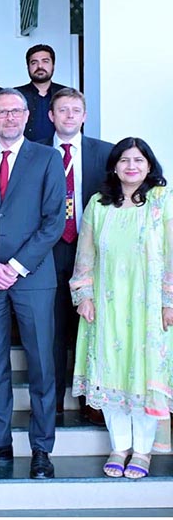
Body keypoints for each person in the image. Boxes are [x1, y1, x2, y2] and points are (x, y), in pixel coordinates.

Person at [0, 88, 66, 479]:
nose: (9, 118)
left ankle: (41, 447)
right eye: (1, 112)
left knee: (40, 363)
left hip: (33, 279)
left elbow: (54, 220)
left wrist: (16, 265)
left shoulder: (48, 158)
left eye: (15, 111)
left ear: (27, 116)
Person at [70, 138, 173, 479]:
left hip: (148, 307)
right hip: (107, 303)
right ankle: (120, 446)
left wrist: (169, 302)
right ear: (114, 166)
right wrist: (84, 295)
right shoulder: (99, 204)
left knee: (143, 376)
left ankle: (142, 451)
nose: (131, 166)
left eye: (139, 160)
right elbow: (85, 255)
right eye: (125, 160)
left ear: (149, 166)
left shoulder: (162, 201)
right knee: (110, 372)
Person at [40, 88, 112, 424]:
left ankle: (91, 400)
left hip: (95, 256)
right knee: (50, 329)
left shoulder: (107, 154)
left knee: (92, 327)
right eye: (62, 110)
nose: (69, 116)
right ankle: (52, 401)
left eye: (75, 110)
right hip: (47, 253)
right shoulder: (37, 153)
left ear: (84, 116)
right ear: (51, 116)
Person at [15, 44, 69, 141]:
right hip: (25, 153)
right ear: (28, 67)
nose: (40, 66)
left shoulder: (66, 94)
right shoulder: (16, 96)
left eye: (45, 61)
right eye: (34, 63)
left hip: (60, 152)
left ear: (53, 65)